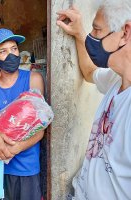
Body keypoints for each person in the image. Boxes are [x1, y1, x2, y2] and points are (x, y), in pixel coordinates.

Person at [56, 1, 131, 199]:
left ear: (125, 33)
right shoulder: (117, 78)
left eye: (97, 30)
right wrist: (80, 34)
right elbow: (90, 72)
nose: (92, 37)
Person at [0, 28, 45, 200]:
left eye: (14, 49)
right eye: (3, 51)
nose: (11, 55)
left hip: (26, 166)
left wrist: (14, 149)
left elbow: (40, 128)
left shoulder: (33, 78)